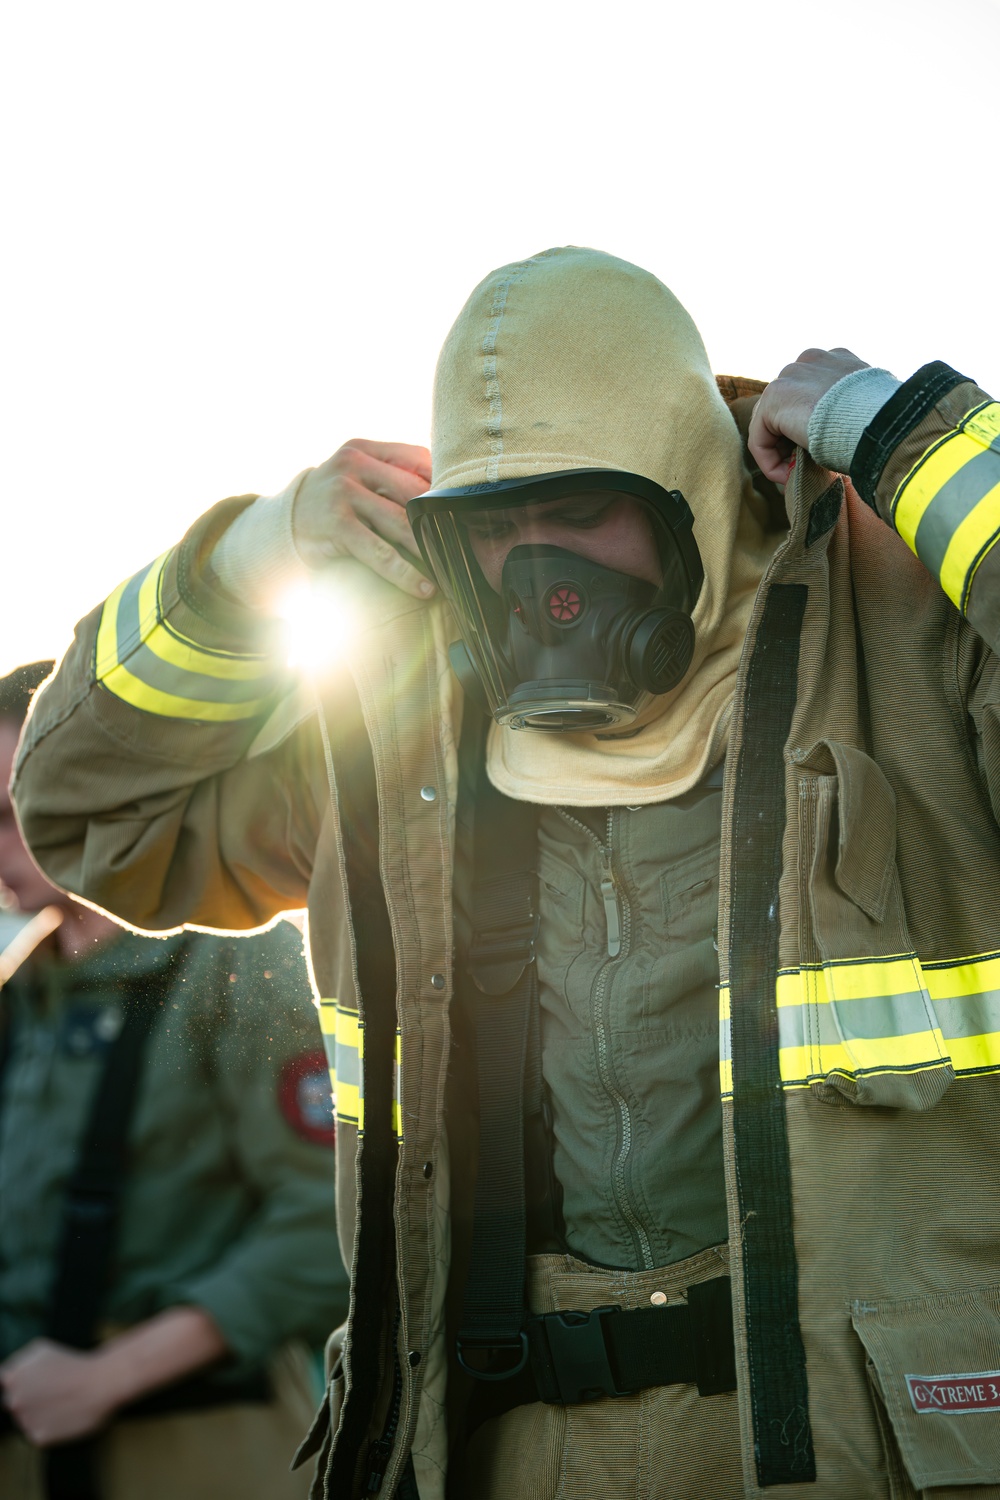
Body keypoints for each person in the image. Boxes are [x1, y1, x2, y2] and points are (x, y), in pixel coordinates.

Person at [10, 247, 1000, 1500]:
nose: (541, 579)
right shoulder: (396, 712)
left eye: (582, 512)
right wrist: (239, 570)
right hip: (496, 1447)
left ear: (691, 486)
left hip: (836, 1445)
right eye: (494, 527)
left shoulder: (904, 633)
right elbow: (88, 812)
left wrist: (908, 434)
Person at [0, 662, 350, 1500]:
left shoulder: (233, 960)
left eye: (8, 817)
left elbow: (331, 1224)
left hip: (197, 1446)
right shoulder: (23, 992)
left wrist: (109, 1374)